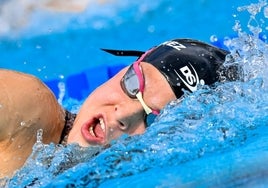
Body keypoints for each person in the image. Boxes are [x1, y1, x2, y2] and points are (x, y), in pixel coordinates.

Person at [0, 38, 239, 178]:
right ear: (128, 67)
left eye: (153, 119)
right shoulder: (27, 108)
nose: (123, 114)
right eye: (133, 84)